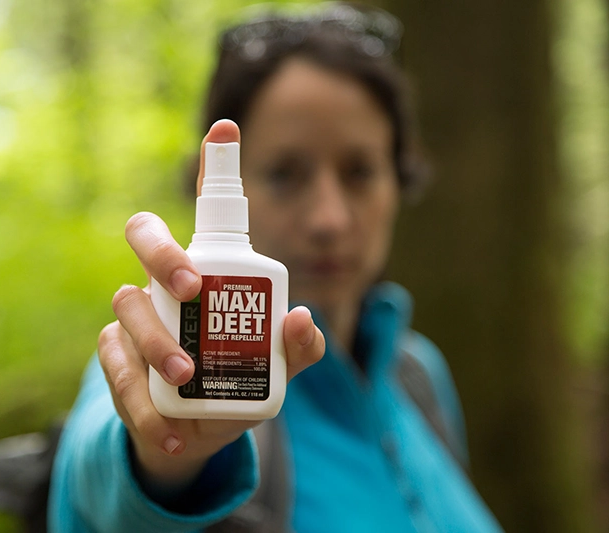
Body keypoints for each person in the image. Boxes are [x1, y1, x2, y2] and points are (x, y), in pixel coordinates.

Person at [48, 3, 502, 532]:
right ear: (219, 187)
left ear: (398, 180)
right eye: (285, 174)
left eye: (359, 171)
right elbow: (101, 479)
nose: (329, 219)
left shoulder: (417, 374)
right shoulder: (179, 370)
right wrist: (165, 457)